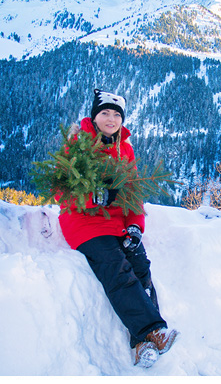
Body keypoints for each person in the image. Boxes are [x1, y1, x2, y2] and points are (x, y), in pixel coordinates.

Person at [57, 89, 179, 368]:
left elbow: (133, 192)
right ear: (94, 116)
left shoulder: (125, 148)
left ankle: (142, 344)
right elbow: (61, 190)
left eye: (116, 114)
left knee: (140, 266)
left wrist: (135, 227)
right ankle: (153, 330)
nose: (111, 119)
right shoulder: (79, 144)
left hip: (117, 222)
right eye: (105, 113)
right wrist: (93, 197)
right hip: (84, 221)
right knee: (115, 266)